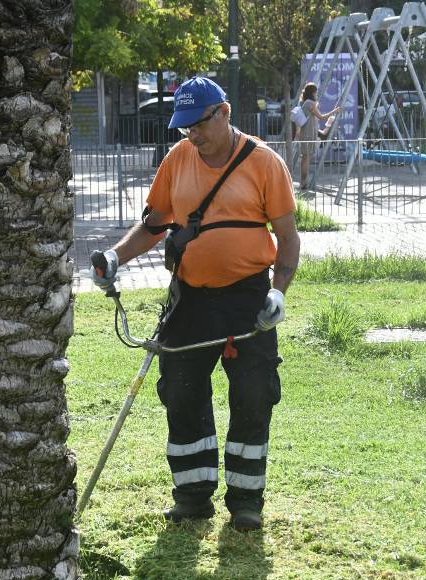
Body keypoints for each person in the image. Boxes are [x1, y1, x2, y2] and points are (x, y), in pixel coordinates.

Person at [90, 77, 299, 532]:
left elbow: (287, 240)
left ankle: (246, 502)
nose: (193, 136)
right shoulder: (178, 160)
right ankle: (192, 496)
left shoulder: (265, 164)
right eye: (184, 128)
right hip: (190, 298)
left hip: (249, 298)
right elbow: (154, 227)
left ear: (223, 113)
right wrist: (114, 256)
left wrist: (278, 292)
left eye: (198, 125)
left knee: (254, 394)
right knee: (181, 392)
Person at [293, 82, 342, 191]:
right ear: (313, 92)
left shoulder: (306, 102)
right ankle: (303, 182)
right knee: (306, 158)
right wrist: (335, 111)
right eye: (316, 91)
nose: (317, 93)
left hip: (309, 132)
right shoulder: (310, 103)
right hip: (308, 133)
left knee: (306, 158)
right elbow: (321, 117)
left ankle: (303, 181)